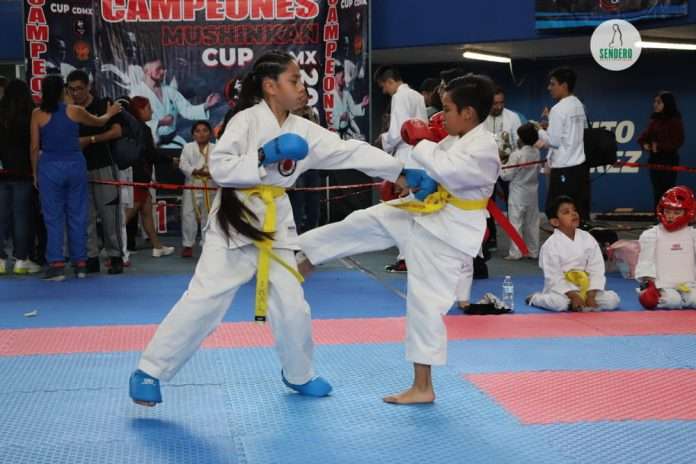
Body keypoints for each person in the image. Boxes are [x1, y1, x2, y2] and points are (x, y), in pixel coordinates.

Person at [128, 50, 403, 407]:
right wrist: (261, 156)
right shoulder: (244, 121)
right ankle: (149, 370)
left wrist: (400, 171)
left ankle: (299, 373)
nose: (302, 88)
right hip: (236, 218)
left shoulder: (303, 129)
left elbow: (349, 151)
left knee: (292, 305)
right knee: (205, 299)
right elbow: (220, 168)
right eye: (294, 80)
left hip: (276, 222)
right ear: (271, 87)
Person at [299, 74, 500, 404]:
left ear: (468, 113)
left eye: (447, 109)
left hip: (449, 235)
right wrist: (418, 171)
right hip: (428, 212)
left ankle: (423, 387)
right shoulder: (457, 138)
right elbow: (434, 169)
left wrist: (422, 141)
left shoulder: (484, 147)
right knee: (368, 220)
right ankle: (305, 255)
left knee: (424, 305)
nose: (441, 116)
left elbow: (449, 171)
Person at [30, 75, 121, 281]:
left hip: (50, 168)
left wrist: (35, 172)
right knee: (78, 215)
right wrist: (110, 113)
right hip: (75, 166)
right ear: (63, 91)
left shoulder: (37, 114)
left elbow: (34, 147)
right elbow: (99, 122)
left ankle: (57, 264)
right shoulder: (75, 111)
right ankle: (81, 264)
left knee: (53, 218)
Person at [67, 70, 125, 275]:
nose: (76, 93)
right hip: (78, 168)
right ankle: (91, 257)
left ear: (88, 87)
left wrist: (90, 140)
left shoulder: (103, 104)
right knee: (85, 215)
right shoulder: (69, 111)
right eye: (72, 89)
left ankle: (115, 256)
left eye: (79, 89)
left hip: (104, 165)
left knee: (109, 214)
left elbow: (117, 131)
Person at [375, 65, 428, 272]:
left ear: (389, 81)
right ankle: (416, 257)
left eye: (383, 86)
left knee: (404, 211)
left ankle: (406, 257)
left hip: (406, 156)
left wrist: (384, 140)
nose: (384, 91)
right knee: (417, 210)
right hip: (421, 155)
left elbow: (397, 132)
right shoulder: (417, 96)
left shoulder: (399, 96)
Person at [527, 195, 620, 312]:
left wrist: (591, 295)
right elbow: (554, 277)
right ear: (555, 221)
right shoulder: (550, 246)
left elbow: (596, 269)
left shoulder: (587, 238)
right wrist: (574, 296)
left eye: (574, 210)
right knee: (559, 304)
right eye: (566, 212)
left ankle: (576, 304)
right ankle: (535, 298)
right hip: (562, 291)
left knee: (612, 300)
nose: (573, 214)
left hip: (586, 288)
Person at [123, 96, 175, 258]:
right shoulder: (142, 129)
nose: (152, 111)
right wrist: (170, 160)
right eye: (148, 108)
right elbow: (150, 154)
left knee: (147, 212)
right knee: (127, 215)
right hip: (138, 177)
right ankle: (111, 247)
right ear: (140, 109)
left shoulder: (131, 126)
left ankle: (157, 246)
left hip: (138, 176)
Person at [537, 67, 591, 222]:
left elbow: (553, 142)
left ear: (564, 85)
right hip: (580, 168)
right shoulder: (579, 105)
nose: (549, 88)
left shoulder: (558, 109)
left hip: (563, 169)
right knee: (579, 212)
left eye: (553, 84)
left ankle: (564, 238)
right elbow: (576, 132)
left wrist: (538, 129)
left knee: (556, 214)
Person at [130, 58, 221, 148]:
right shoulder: (136, 94)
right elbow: (133, 122)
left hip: (173, 140)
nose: (163, 71)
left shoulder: (169, 91)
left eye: (163, 68)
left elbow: (186, 110)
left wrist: (207, 105)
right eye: (158, 69)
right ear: (147, 71)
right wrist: (159, 123)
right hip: (150, 144)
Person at [0, 80, 42, 274]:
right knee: (21, 216)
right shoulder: (30, 115)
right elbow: (35, 146)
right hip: (24, 172)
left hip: (2, 172)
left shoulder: (1, 114)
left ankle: (1, 260)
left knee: (1, 217)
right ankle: (21, 259)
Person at [635, 186, 696, 310]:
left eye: (676, 213)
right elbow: (646, 261)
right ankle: (671, 298)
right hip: (663, 284)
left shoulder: (693, 235)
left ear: (688, 212)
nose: (671, 216)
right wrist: (648, 284)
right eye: (667, 211)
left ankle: (684, 299)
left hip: (689, 284)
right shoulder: (651, 235)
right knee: (673, 301)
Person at [636, 91, 685, 209]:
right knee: (657, 191)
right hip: (654, 160)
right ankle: (658, 216)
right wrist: (645, 145)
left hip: (669, 160)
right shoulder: (654, 120)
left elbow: (678, 142)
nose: (655, 105)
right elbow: (642, 138)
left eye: (659, 102)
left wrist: (659, 146)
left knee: (667, 191)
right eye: (655, 102)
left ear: (667, 104)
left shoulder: (675, 120)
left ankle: (668, 215)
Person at [500, 123, 540, 260]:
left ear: (522, 139)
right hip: (532, 193)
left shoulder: (517, 155)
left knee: (515, 223)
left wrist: (500, 165)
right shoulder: (536, 152)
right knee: (532, 224)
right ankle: (533, 251)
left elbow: (506, 176)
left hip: (518, 194)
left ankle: (516, 253)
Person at [178, 120, 216, 258]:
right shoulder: (188, 147)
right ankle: (188, 244)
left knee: (209, 214)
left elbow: (220, 165)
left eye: (205, 130)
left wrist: (211, 173)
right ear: (193, 134)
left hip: (210, 184)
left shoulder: (216, 148)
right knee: (188, 214)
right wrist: (195, 171)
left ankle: (207, 243)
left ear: (210, 134)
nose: (201, 134)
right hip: (192, 183)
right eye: (198, 131)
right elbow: (183, 164)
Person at [484, 87, 523, 161]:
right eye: (495, 103)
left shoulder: (513, 117)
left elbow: (519, 144)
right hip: (485, 163)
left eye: (501, 102)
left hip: (509, 164)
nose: (499, 107)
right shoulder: (480, 118)